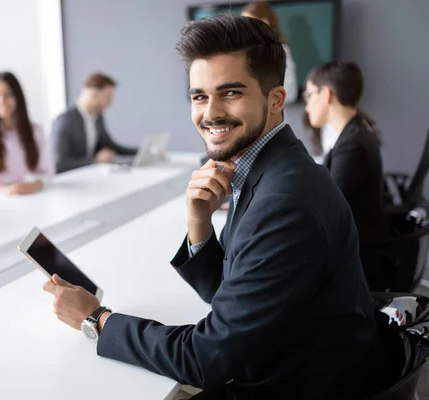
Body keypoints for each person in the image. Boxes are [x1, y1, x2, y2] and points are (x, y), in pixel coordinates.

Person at [42, 15, 398, 399]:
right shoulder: (268, 166)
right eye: (199, 96)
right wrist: (199, 221)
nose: (209, 113)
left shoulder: (284, 201)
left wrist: (97, 319)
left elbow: (206, 358)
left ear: (275, 99)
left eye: (230, 93)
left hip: (297, 383)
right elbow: (228, 291)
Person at [304, 61, 391, 290]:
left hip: (360, 260)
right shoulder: (353, 132)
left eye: (309, 95)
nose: (307, 105)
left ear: (326, 94)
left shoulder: (352, 145)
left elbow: (327, 207)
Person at [0, 72, 54, 199]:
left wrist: (33, 185)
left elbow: (48, 174)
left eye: (8, 95)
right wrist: (1, 189)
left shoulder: (35, 132)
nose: (1, 101)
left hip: (18, 198)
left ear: (18, 97)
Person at [50, 72, 137, 173]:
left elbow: (111, 146)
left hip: (91, 177)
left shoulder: (97, 118)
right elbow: (59, 164)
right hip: (71, 181)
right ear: (93, 95)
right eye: (107, 98)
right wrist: (95, 161)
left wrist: (143, 151)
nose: (110, 103)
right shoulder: (65, 121)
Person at [242, 1, 298, 104]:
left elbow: (290, 92)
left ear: (265, 22)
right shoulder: (243, 51)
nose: (245, 27)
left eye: (249, 22)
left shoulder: (280, 51)